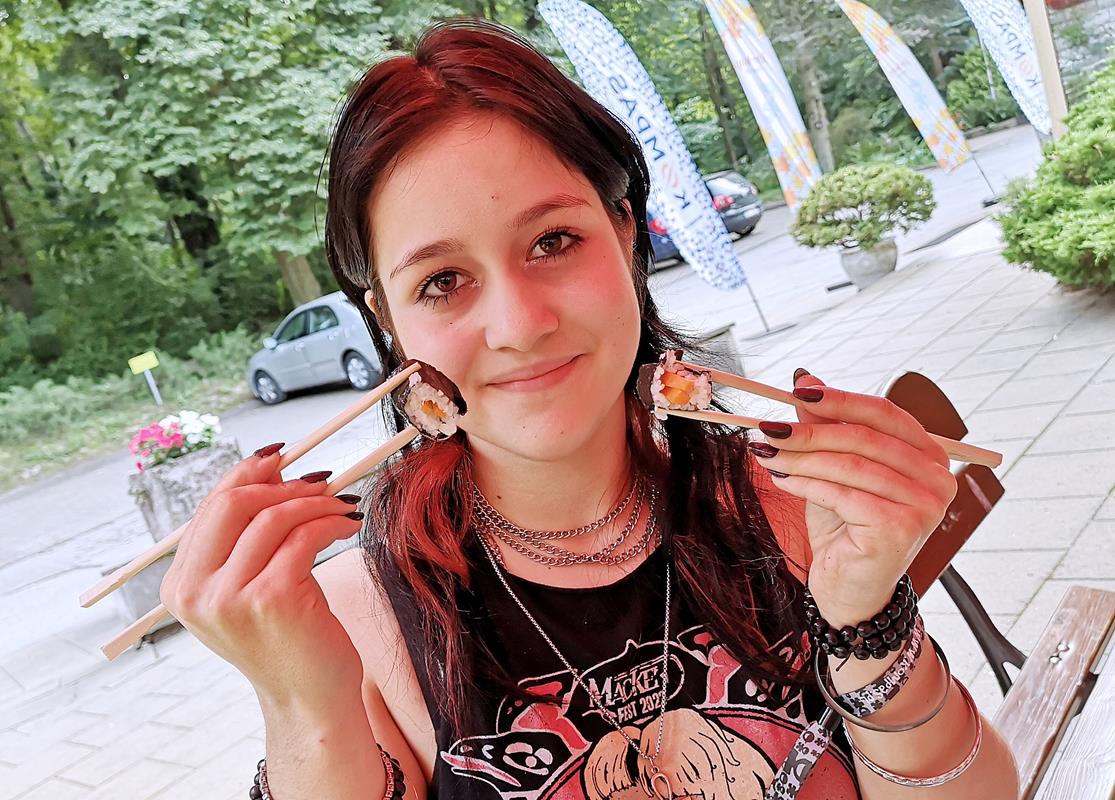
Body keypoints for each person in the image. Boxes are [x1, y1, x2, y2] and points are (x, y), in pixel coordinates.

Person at [160, 19, 1020, 800]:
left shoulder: (787, 506)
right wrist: (301, 704)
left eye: (553, 241)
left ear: (624, 233)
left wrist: (869, 621)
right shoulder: (352, 620)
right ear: (387, 321)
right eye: (442, 281)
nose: (519, 326)